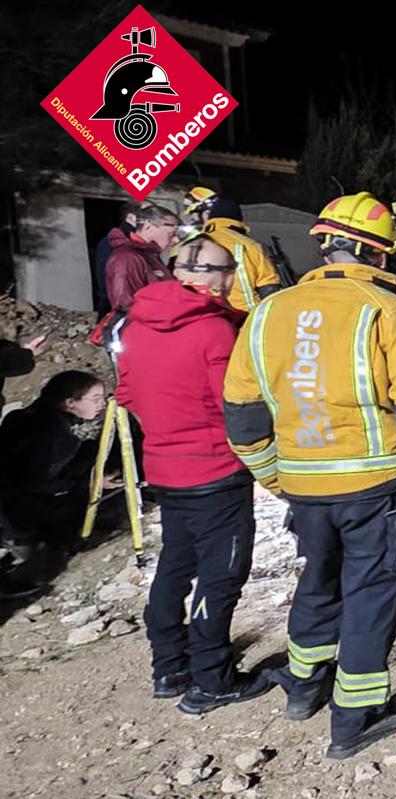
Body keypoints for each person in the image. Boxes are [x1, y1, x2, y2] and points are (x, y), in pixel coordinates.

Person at [224, 191, 396, 759]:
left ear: (324, 247)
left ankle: (304, 688)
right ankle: (355, 717)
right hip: (374, 491)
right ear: (380, 256)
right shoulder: (390, 313)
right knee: (370, 596)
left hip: (304, 488)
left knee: (317, 580)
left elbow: (241, 414)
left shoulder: (267, 313)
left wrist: (275, 478)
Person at [115, 236, 271, 713]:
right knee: (220, 575)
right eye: (228, 276)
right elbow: (235, 402)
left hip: (165, 469)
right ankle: (213, 677)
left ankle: (168, 665)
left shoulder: (134, 326)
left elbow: (126, 394)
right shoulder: (213, 331)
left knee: (175, 566)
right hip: (215, 472)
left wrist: (168, 430)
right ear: (214, 277)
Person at [0, 371, 113, 556]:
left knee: (91, 450)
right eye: (95, 399)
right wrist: (92, 483)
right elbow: (36, 483)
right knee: (109, 507)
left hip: (9, 503)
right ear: (70, 403)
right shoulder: (57, 436)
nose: (103, 404)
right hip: (18, 516)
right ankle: (36, 545)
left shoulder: (20, 416)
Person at [105, 204, 178, 312]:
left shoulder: (149, 255)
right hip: (148, 326)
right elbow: (126, 306)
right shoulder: (128, 257)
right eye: (171, 234)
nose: (176, 240)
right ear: (147, 227)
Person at [94, 204, 139, 315]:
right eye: (147, 215)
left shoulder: (137, 241)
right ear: (131, 218)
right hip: (117, 307)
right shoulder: (117, 242)